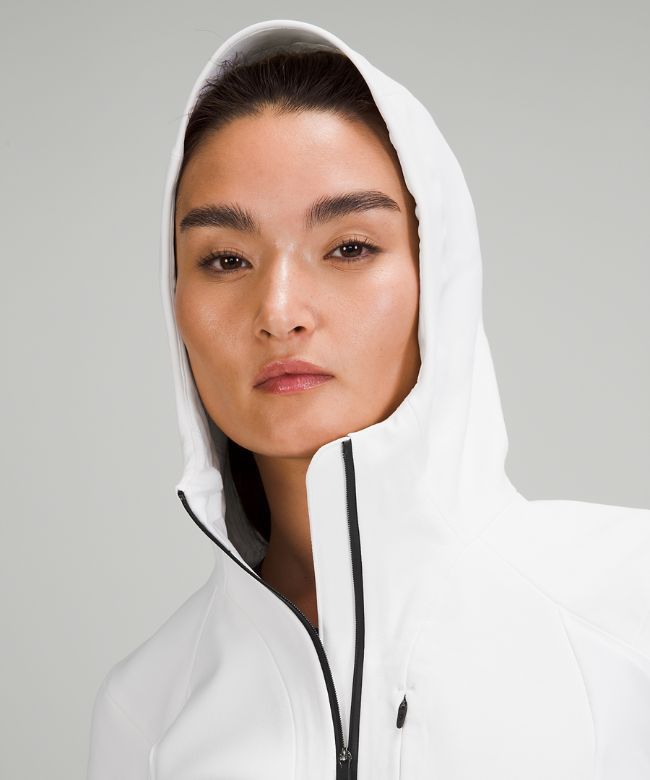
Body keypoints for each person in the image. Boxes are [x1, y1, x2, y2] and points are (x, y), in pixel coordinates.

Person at [86, 19, 650, 780]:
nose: (279, 310)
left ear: (436, 275)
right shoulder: (149, 713)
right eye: (225, 259)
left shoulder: (630, 609)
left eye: (350, 247)